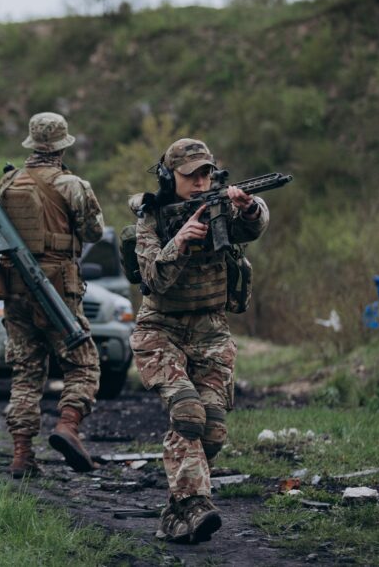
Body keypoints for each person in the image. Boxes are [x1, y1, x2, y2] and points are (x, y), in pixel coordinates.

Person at [128, 138, 269, 543]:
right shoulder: (152, 219)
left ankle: (175, 513)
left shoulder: (221, 206)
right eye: (191, 175)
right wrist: (180, 242)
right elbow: (153, 280)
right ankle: (197, 503)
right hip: (161, 330)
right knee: (187, 414)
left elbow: (254, 227)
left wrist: (249, 208)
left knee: (213, 432)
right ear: (169, 177)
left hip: (211, 331)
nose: (201, 180)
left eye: (206, 172)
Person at [0, 112, 105, 477]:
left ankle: (22, 455)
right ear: (62, 145)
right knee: (83, 363)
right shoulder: (72, 184)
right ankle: (68, 426)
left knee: (26, 374)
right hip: (57, 288)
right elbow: (94, 232)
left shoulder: (8, 182)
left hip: (16, 290)